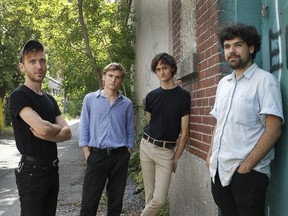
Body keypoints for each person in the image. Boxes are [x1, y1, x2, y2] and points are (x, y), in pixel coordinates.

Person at [206, 23, 284, 216]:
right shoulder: (223, 83)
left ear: (251, 48)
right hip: (219, 171)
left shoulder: (265, 81)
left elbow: (273, 129)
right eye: (226, 46)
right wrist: (210, 156)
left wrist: (246, 166)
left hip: (248, 175)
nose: (231, 51)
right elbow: (219, 123)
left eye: (237, 45)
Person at [9, 40, 72, 216]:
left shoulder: (50, 100)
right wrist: (51, 129)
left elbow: (67, 132)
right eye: (32, 61)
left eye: (42, 60)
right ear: (22, 67)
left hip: (52, 170)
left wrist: (48, 134)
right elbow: (43, 128)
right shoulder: (18, 96)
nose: (39, 66)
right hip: (31, 173)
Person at [78, 62, 135, 216]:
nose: (113, 80)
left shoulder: (126, 104)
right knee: (89, 202)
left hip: (119, 156)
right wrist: (86, 153)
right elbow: (84, 127)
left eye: (117, 77)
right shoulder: (90, 99)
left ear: (121, 81)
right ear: (104, 77)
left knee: (115, 203)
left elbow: (130, 130)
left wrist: (128, 151)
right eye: (110, 76)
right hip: (97, 155)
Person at [140, 53, 190, 216]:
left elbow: (185, 133)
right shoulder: (151, 96)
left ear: (172, 69)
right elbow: (150, 122)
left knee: (159, 199)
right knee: (150, 196)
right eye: (158, 69)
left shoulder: (183, 96)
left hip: (166, 151)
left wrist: (176, 158)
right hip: (147, 146)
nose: (161, 72)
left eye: (165, 68)